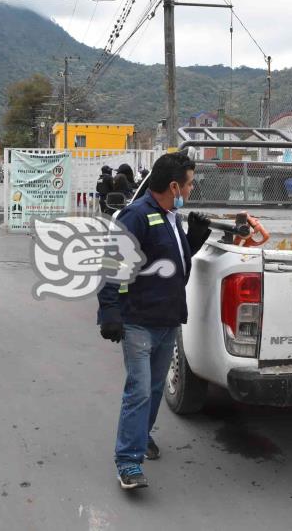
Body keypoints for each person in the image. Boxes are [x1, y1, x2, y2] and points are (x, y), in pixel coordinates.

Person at [97, 151, 212, 490]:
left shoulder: (172, 216)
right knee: (140, 391)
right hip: (138, 321)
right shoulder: (136, 216)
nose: (192, 190)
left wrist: (193, 240)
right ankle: (128, 462)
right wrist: (110, 312)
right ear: (174, 185)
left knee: (155, 388)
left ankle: (141, 437)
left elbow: (171, 262)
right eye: (189, 184)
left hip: (168, 319)